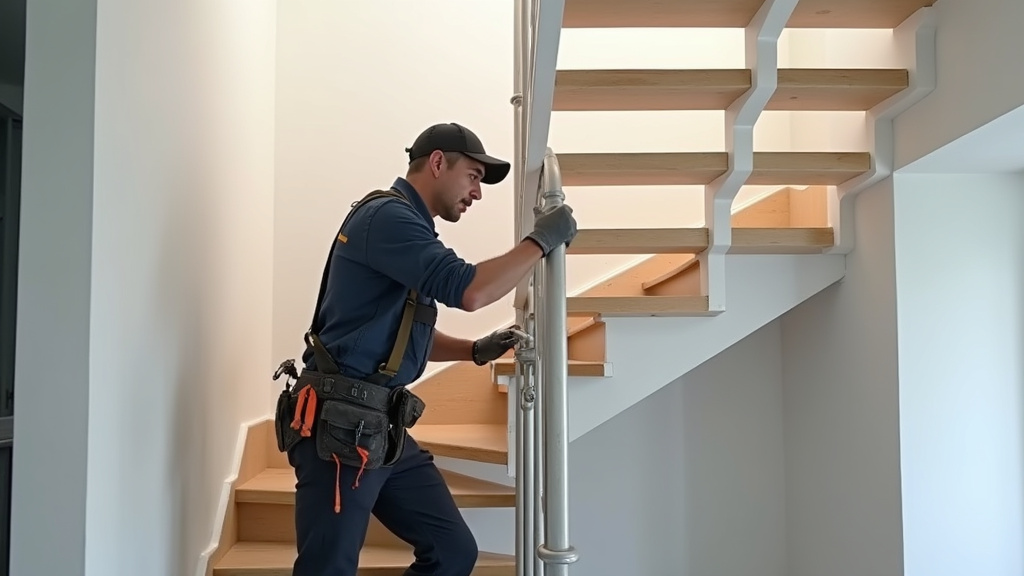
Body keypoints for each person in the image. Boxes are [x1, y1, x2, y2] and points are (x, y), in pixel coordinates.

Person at [286, 122, 578, 576]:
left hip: (382, 426)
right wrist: (541, 241)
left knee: (452, 551)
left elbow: (402, 334)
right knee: (327, 568)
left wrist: (474, 350)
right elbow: (470, 291)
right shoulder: (388, 218)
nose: (477, 193)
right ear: (438, 163)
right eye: (474, 176)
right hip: (339, 427)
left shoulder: (409, 229)